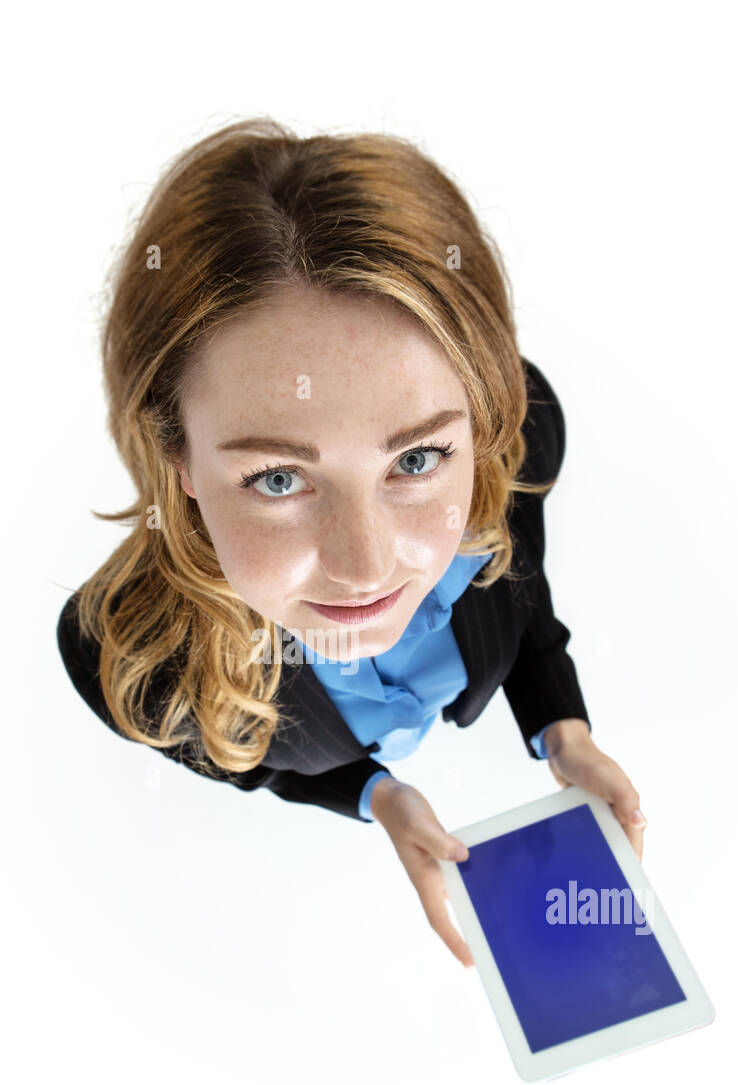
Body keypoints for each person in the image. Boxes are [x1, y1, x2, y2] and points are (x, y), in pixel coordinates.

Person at [56, 118, 646, 968]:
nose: (368, 568)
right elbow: (243, 760)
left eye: (415, 458)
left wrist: (563, 731)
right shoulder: (130, 662)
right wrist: (372, 793)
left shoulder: (520, 451)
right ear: (176, 456)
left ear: (482, 423)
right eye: (278, 478)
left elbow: (524, 593)